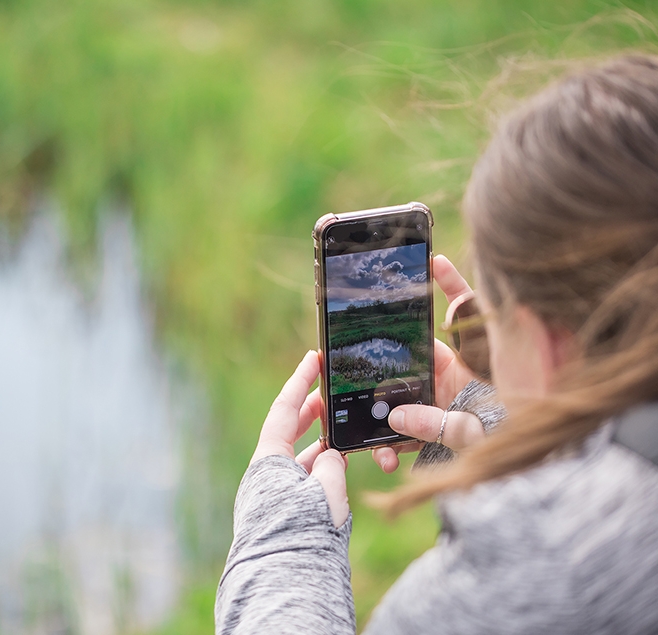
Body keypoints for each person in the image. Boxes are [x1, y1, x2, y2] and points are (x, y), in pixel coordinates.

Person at [216, 54, 658, 634]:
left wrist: (280, 538)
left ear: (548, 341)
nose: (475, 351)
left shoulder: (545, 562)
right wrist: (515, 432)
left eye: (486, 328)